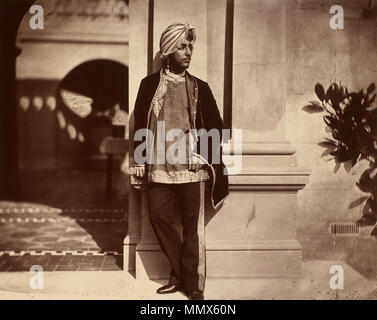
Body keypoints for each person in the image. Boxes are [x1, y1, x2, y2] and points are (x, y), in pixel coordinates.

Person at [132, 22, 228, 300]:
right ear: (168, 50)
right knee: (158, 217)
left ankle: (191, 285)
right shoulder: (149, 85)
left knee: (191, 227)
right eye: (182, 47)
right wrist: (139, 158)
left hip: (190, 168)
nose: (188, 53)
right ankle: (182, 273)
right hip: (159, 167)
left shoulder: (200, 87)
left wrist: (204, 153)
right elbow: (139, 123)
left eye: (190, 47)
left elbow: (217, 126)